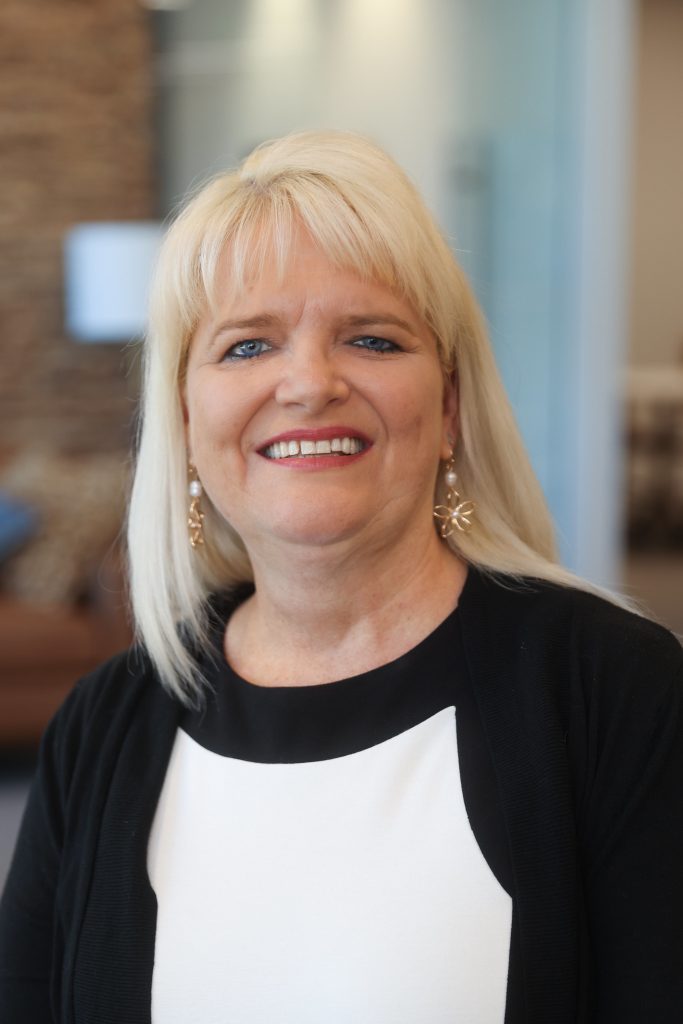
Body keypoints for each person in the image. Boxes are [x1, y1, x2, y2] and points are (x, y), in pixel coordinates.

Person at [1, 131, 682, 1024]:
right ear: (185, 419)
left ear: (446, 408)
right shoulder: (104, 724)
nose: (308, 384)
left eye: (370, 338)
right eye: (247, 348)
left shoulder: (613, 691)